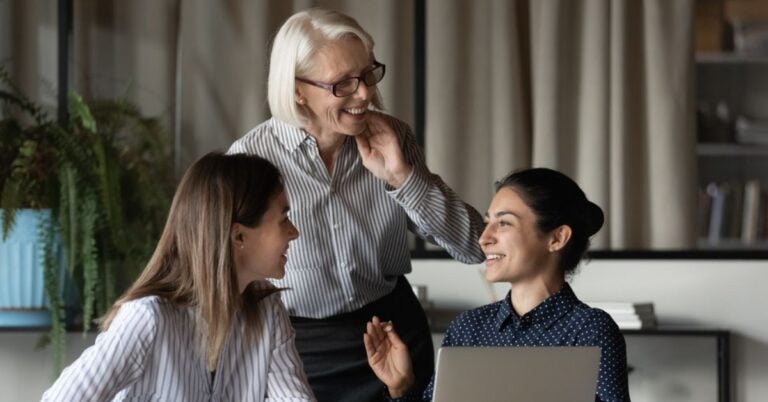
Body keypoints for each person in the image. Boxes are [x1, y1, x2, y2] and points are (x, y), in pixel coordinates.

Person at [227, 8, 485, 402]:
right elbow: (222, 271)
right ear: (297, 89)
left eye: (367, 74)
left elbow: (472, 246)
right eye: (342, 84)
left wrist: (402, 178)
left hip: (393, 339)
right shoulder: (249, 159)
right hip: (295, 349)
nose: (364, 94)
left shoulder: (393, 137)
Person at [41, 152, 316, 401]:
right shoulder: (148, 318)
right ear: (239, 236)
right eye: (284, 218)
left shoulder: (267, 312)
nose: (294, 232)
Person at [365, 168, 631, 402]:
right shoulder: (467, 329)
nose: (484, 238)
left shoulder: (591, 331)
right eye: (487, 221)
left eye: (503, 223)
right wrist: (401, 387)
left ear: (557, 238)